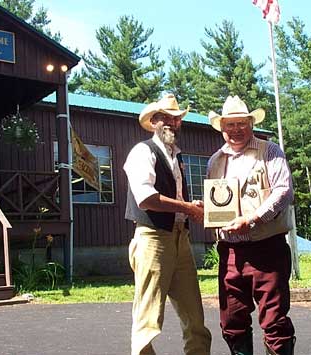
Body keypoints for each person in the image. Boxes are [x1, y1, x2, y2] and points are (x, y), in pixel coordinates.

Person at [206, 95, 296, 355]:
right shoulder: (215, 161)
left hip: (267, 248)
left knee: (275, 320)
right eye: (229, 125)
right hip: (230, 252)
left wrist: (253, 219)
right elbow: (217, 202)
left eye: (241, 124)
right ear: (222, 128)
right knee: (231, 321)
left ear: (250, 124)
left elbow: (284, 192)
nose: (235, 130)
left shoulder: (270, 151)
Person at [123, 94, 212, 355]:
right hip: (153, 238)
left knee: (194, 316)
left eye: (176, 117)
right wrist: (187, 208)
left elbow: (172, 198)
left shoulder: (176, 155)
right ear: (153, 121)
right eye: (165, 117)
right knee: (148, 317)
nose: (172, 122)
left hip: (180, 239)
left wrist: (190, 205)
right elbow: (146, 199)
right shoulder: (142, 151)